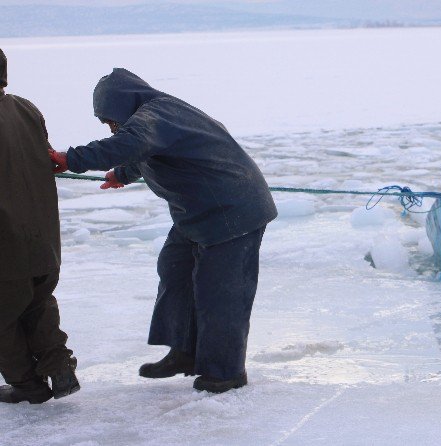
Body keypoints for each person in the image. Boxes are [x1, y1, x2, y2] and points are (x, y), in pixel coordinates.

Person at [50, 68, 277, 394]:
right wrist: (122, 175)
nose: (109, 126)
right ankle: (184, 352)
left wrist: (69, 158)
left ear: (123, 104)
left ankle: (225, 372)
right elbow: (146, 149)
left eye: (109, 119)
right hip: (199, 212)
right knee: (175, 269)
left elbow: (133, 142)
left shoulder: (157, 114)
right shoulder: (154, 119)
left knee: (222, 293)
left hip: (234, 210)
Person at [0, 48, 80, 404]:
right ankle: (60, 369)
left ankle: (28, 385)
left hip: (6, 241)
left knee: (4, 315)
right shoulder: (25, 108)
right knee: (38, 301)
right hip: (42, 235)